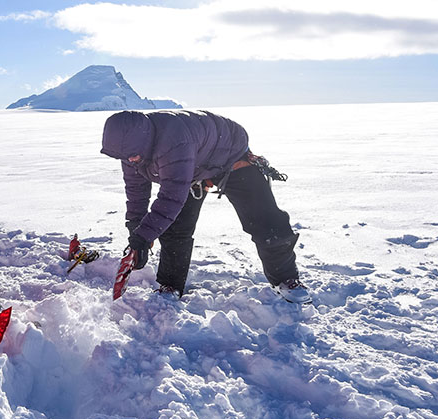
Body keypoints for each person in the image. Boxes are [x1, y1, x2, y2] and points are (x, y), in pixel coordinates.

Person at [101, 109, 310, 303]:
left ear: (145, 140)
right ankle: (170, 286)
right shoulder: (132, 150)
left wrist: (144, 238)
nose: (130, 160)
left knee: (267, 221)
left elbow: (171, 198)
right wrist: (136, 231)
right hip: (194, 165)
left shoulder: (173, 142)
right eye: (125, 157)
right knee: (174, 228)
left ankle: (286, 279)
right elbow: (136, 193)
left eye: (133, 156)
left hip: (230, 157)